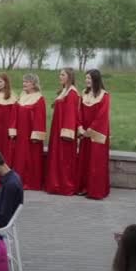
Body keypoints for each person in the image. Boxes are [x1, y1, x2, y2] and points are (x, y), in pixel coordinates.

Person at [77, 69, 111, 199]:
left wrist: (89, 131)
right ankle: (84, 187)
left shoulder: (104, 95)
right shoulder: (84, 94)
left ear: (96, 80)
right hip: (85, 133)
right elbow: (79, 112)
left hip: (97, 134)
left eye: (89, 79)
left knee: (96, 161)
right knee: (85, 161)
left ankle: (96, 190)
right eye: (86, 78)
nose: (87, 81)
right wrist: (80, 128)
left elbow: (102, 116)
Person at [46, 68, 79, 196]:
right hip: (57, 129)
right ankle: (55, 184)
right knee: (57, 157)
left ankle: (64, 185)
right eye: (60, 74)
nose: (60, 76)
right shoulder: (64, 91)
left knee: (64, 159)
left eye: (63, 74)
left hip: (64, 133)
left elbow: (71, 114)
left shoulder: (72, 93)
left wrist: (67, 133)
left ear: (69, 77)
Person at [11, 73, 46, 190]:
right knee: (20, 157)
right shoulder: (22, 96)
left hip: (31, 134)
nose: (24, 84)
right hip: (21, 133)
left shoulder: (39, 98)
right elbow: (15, 113)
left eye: (27, 82)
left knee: (31, 157)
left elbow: (40, 117)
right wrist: (13, 129)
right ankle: (19, 179)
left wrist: (36, 134)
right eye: (23, 81)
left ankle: (31, 181)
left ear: (34, 84)